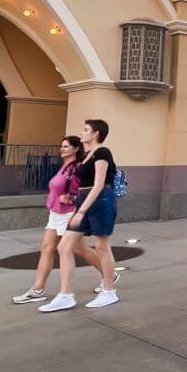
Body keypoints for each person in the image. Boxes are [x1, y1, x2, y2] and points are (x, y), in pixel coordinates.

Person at [39, 118, 120, 312]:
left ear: (96, 134)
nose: (82, 133)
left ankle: (109, 291)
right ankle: (66, 295)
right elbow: (85, 185)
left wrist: (81, 210)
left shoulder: (102, 152)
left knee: (101, 246)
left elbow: (99, 184)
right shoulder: (87, 156)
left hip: (101, 201)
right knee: (65, 246)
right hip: (85, 200)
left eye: (86, 130)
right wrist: (75, 200)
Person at [13, 136, 102, 304]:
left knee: (77, 249)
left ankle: (108, 275)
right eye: (61, 146)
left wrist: (73, 202)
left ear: (76, 149)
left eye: (66, 146)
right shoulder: (64, 167)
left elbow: (82, 191)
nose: (62, 149)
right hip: (55, 213)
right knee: (46, 248)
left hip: (68, 213)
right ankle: (38, 290)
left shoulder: (76, 168)